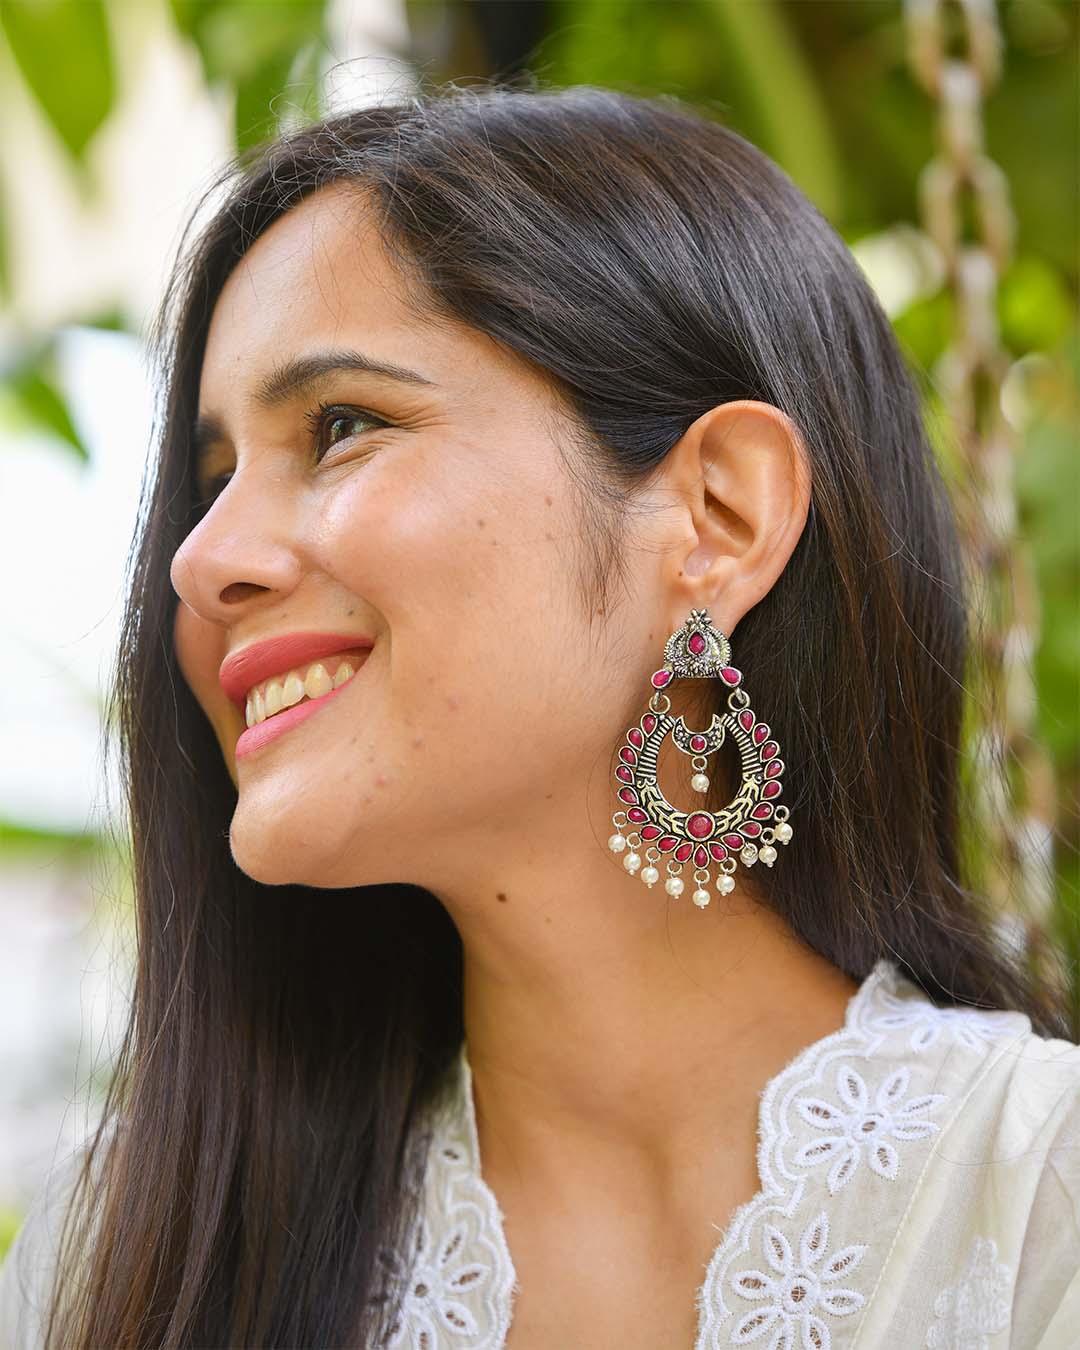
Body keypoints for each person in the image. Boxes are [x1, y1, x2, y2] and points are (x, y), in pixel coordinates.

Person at [1, 80, 1076, 1350]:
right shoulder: (118, 1257)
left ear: (718, 518)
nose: (198, 559)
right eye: (212, 478)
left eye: (342, 426)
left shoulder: (1036, 1205)